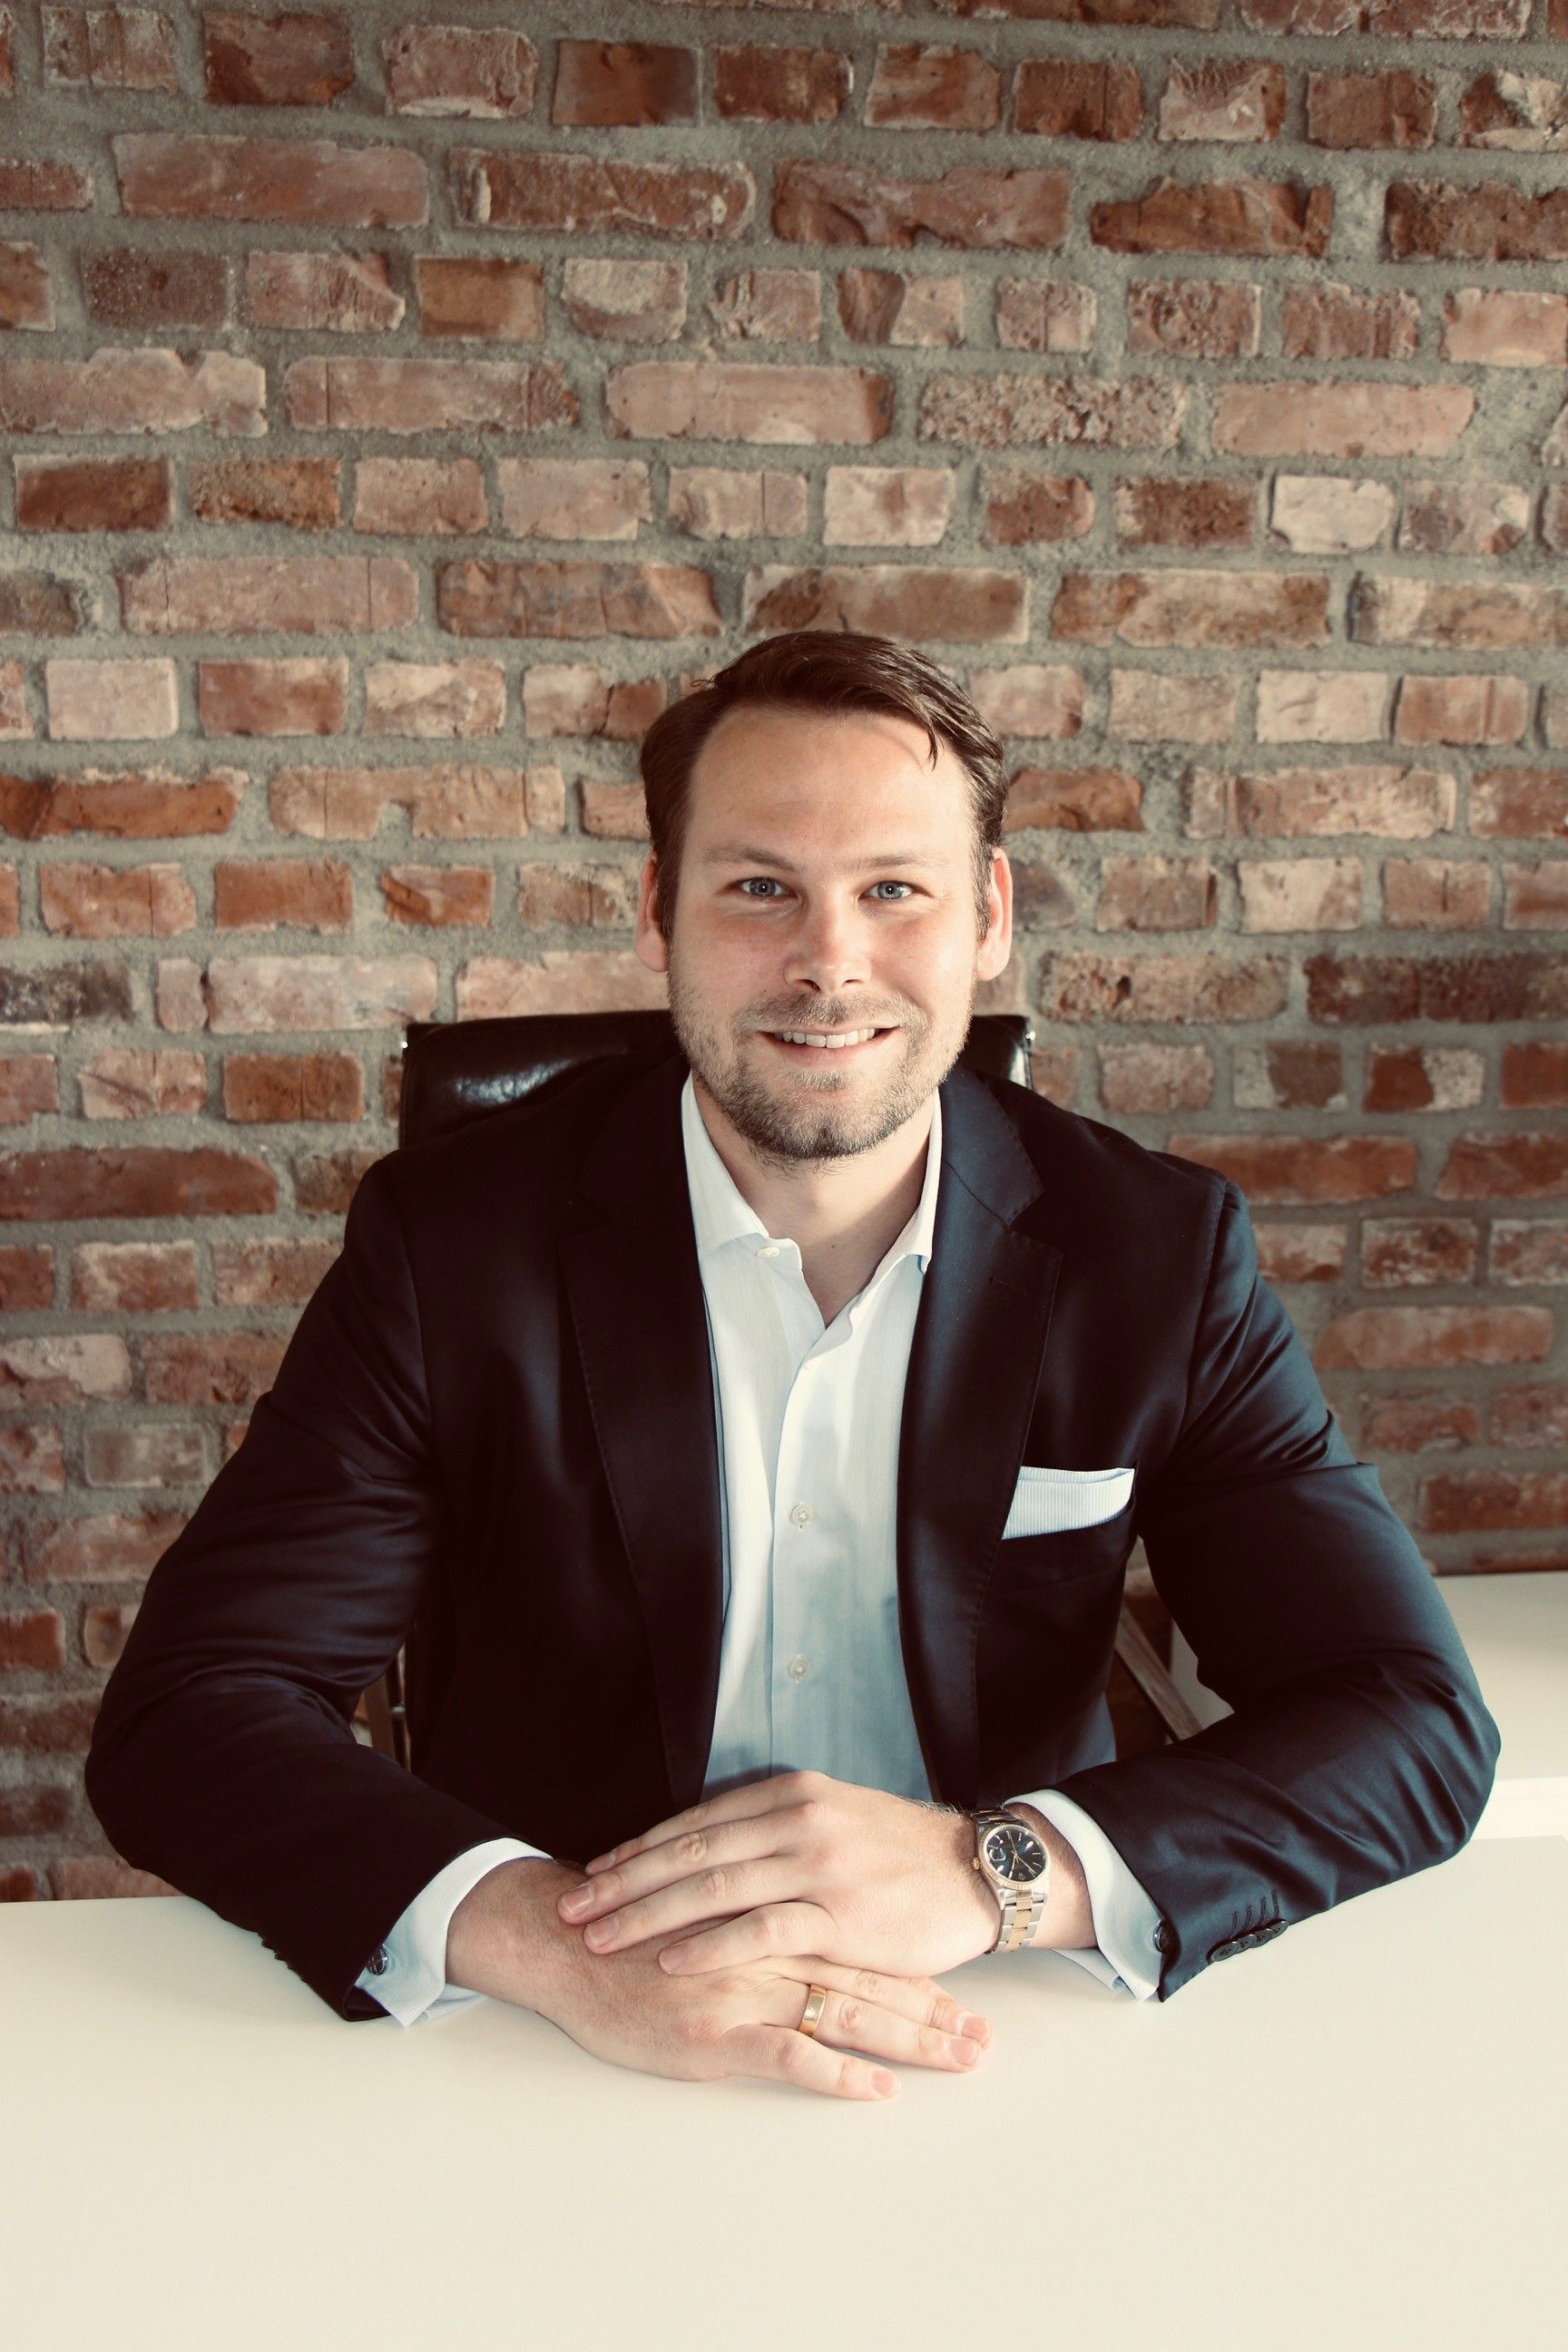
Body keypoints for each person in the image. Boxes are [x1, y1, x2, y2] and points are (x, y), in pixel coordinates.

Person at [85, 629, 1499, 2105]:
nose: (830, 961)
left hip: (998, 2020)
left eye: (894, 889)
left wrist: (996, 1868)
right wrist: (554, 1943)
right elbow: (192, 1708)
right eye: (760, 888)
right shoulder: (452, 1247)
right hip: (557, 2044)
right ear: (659, 912)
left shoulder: (1156, 1255)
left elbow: (1410, 1719)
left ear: (989, 915)